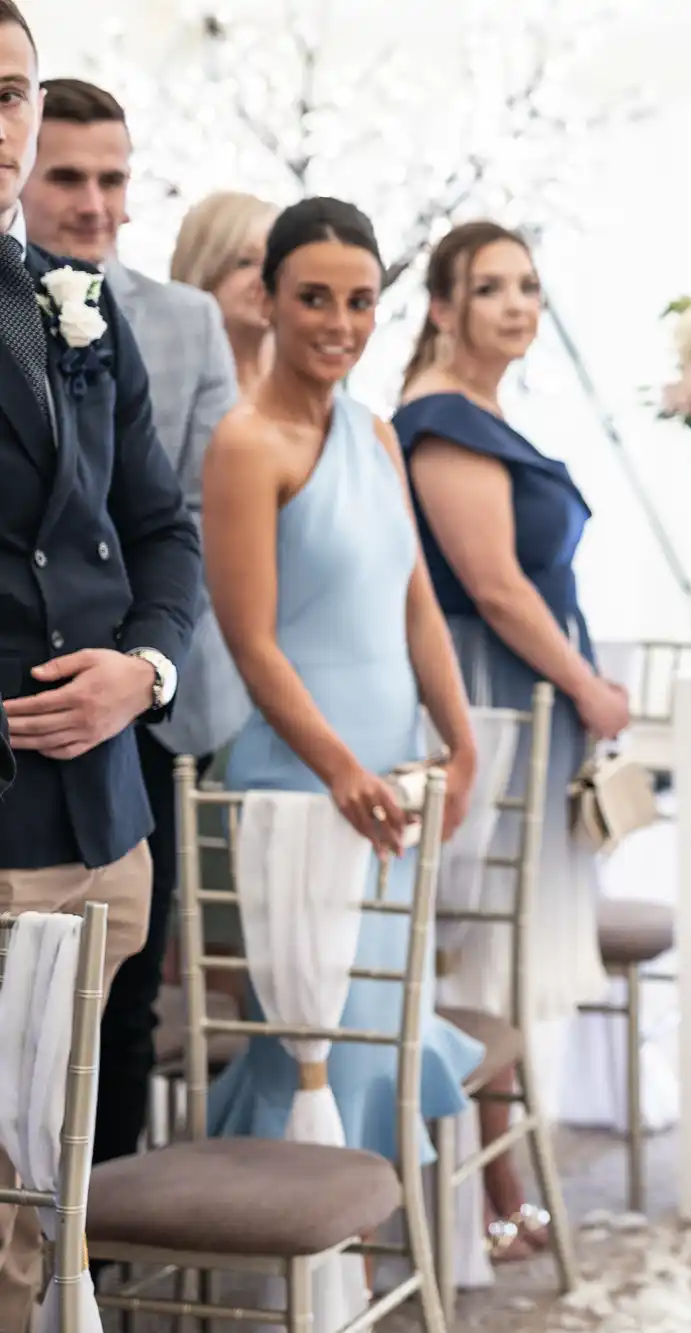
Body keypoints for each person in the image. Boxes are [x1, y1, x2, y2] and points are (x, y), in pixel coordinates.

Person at [200, 195, 487, 1163]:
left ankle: (353, 1268)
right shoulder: (243, 444)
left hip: (392, 776)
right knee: (311, 1040)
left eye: (360, 302)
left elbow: (414, 603)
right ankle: (294, 1276)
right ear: (269, 299)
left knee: (385, 1032)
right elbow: (250, 642)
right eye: (314, 297)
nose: (339, 323)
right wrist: (337, 769)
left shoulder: (375, 434)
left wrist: (462, 738)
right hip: (299, 781)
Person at [0, 6, 203, 1326]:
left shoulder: (68, 304)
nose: (0, 123)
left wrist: (147, 671)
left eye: (10, 91)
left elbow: (159, 528)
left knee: (47, 1201)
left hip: (104, 827)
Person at [20, 74, 246, 1168]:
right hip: (30, 721)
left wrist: (144, 662)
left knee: (115, 1017)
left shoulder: (165, 317)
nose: (95, 202)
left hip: (137, 717)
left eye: (114, 178)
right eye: (68, 175)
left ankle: (89, 1252)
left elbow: (179, 511)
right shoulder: (40, 296)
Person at [393, 220, 625, 1258]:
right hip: (486, 695)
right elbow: (490, 585)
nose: (518, 304)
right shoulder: (442, 419)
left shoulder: (482, 411)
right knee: (481, 942)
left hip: (526, 695)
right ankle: (488, 1201)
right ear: (442, 306)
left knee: (505, 940)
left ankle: (501, 1191)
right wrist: (584, 683)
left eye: (528, 285)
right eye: (491, 287)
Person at [170, 190, 277, 398]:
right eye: (245, 263)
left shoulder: (309, 375)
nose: (266, 278)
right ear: (202, 270)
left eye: (274, 262)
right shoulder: (168, 381)